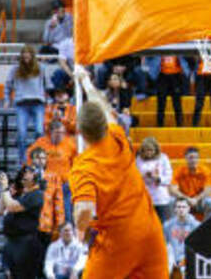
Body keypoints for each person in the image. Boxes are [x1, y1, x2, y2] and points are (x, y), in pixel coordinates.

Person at [69, 65, 168, 278]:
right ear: (104, 125)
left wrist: (80, 230)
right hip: (150, 231)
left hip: (118, 239)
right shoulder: (117, 136)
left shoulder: (83, 167)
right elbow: (104, 109)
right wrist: (86, 82)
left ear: (80, 131)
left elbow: (85, 210)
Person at [0, 165, 43, 279]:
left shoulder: (36, 195)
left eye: (28, 172)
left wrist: (5, 188)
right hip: (11, 241)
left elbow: (12, 207)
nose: (24, 174)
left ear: (35, 177)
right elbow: (0, 210)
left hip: (26, 242)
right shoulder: (20, 194)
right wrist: (4, 190)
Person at [5, 46, 46, 156]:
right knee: (22, 133)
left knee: (39, 131)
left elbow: (46, 84)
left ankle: (39, 157)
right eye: (24, 55)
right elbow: (8, 84)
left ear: (32, 56)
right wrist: (7, 99)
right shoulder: (15, 69)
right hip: (21, 104)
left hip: (38, 103)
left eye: (28, 54)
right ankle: (22, 159)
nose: (26, 57)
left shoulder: (41, 68)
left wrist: (49, 100)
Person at [162, 198, 199, 272]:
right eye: (178, 207)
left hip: (189, 260)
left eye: (184, 207)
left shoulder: (196, 225)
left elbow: (198, 247)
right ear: (175, 209)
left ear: (188, 209)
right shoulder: (167, 225)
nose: (181, 209)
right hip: (172, 260)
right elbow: (164, 245)